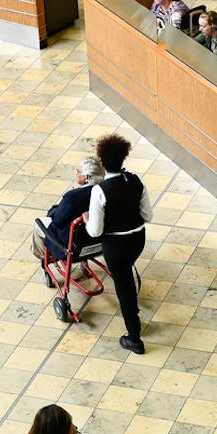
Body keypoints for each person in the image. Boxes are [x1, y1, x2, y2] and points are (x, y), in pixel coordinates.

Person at [84, 133, 152, 354]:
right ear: (124, 158)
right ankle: (134, 313)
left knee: (123, 288)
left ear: (102, 163)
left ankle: (134, 338)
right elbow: (148, 216)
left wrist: (86, 220)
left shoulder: (99, 191)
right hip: (137, 240)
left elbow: (95, 231)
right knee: (126, 279)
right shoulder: (136, 181)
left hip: (115, 246)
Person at [43, 156, 104, 322]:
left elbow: (57, 220)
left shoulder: (72, 198)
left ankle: (44, 261)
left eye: (77, 171)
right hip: (100, 243)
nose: (75, 173)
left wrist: (53, 210)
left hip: (72, 246)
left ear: (86, 178)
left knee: (40, 227)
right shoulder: (108, 191)